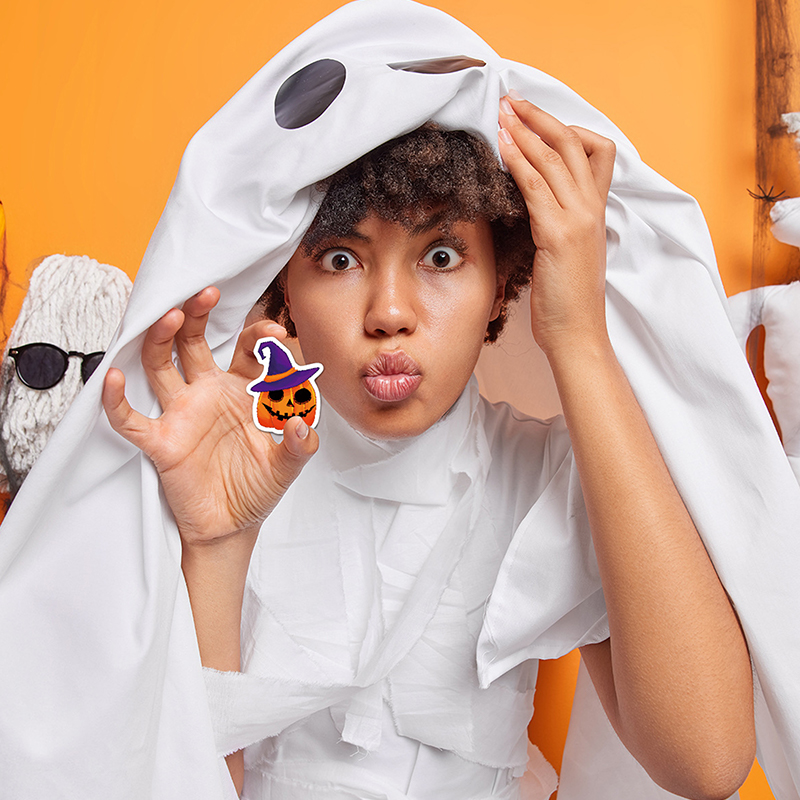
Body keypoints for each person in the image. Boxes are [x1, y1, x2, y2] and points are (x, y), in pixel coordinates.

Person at [2, 3, 799, 799]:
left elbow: (707, 762)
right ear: (283, 286)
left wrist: (579, 334)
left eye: (441, 256)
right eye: (340, 259)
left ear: (503, 283)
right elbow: (187, 781)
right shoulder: (214, 461)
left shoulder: (550, 475)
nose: (389, 313)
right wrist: (219, 544)